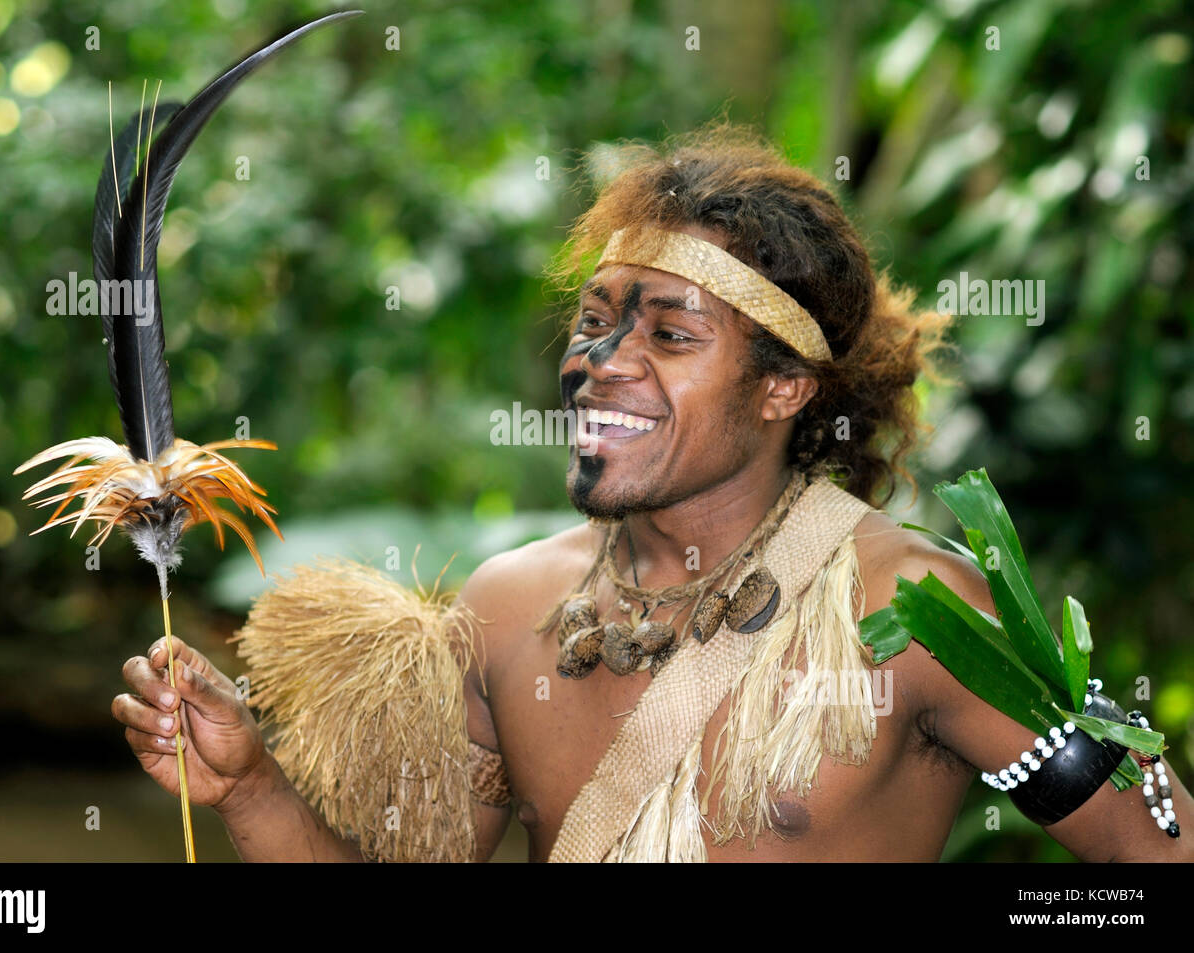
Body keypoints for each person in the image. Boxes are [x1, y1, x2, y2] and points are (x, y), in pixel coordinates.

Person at [112, 122, 1194, 862]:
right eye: (594, 321)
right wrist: (250, 784)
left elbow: (1153, 847)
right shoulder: (503, 610)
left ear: (782, 388)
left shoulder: (915, 612)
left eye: (669, 334)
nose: (601, 360)